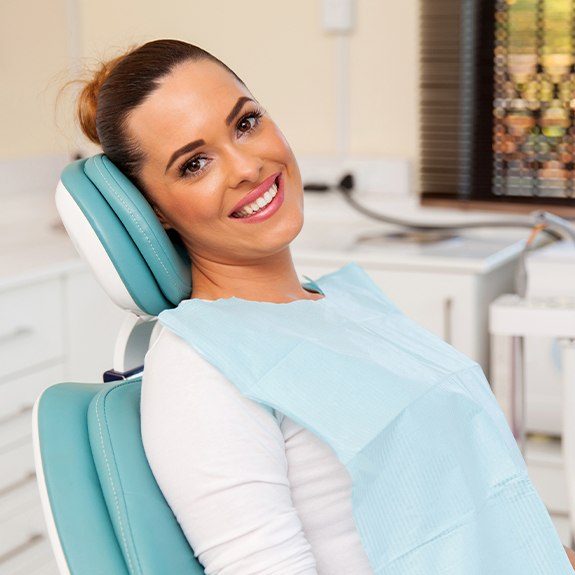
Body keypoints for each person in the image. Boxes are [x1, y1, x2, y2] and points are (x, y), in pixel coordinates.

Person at [73, 39, 575, 574]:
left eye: (245, 123)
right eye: (195, 164)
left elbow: (479, 505)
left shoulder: (345, 300)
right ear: (155, 213)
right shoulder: (201, 367)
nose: (246, 166)